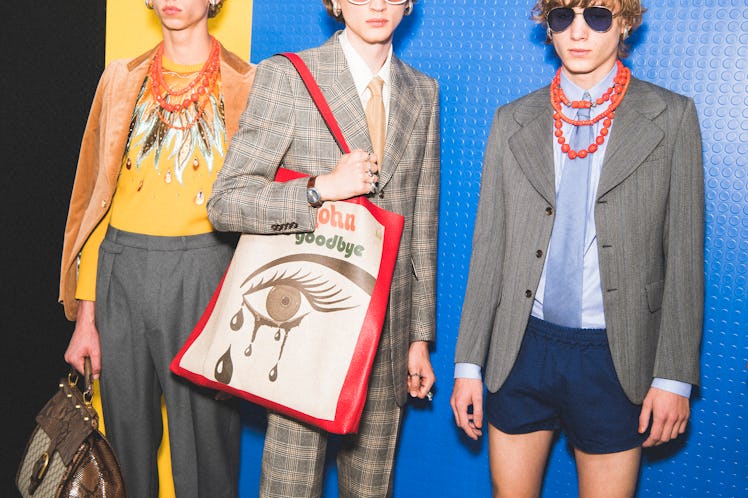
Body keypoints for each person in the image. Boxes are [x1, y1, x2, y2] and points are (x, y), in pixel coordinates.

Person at [450, 0, 703, 496]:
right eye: (563, 16)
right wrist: (467, 366)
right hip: (521, 346)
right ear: (548, 28)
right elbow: (488, 252)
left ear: (626, 21)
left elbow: (686, 256)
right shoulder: (511, 120)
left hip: (616, 353)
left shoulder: (671, 116)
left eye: (598, 15)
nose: (579, 31)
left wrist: (673, 378)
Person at [207, 0, 439, 496]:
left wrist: (419, 336)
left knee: (371, 488)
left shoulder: (424, 92)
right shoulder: (290, 77)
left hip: (387, 333)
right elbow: (226, 203)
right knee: (290, 486)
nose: (376, 5)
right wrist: (319, 188)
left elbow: (422, 224)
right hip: (303, 326)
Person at [59, 1, 255, 496]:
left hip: (207, 271)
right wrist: (86, 318)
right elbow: (93, 202)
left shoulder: (249, 83)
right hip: (120, 272)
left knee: (206, 456)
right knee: (123, 455)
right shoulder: (120, 79)